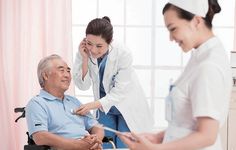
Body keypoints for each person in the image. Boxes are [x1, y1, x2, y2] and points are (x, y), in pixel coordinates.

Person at [118, 0, 232, 149]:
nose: (171, 38)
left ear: (197, 21)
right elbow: (187, 124)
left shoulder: (208, 65)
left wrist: (154, 149)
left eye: (173, 29)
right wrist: (157, 137)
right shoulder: (200, 56)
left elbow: (207, 136)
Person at [73, 16, 154, 148]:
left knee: (124, 145)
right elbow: (83, 86)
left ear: (109, 42)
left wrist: (91, 105)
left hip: (126, 105)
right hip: (104, 107)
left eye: (99, 46)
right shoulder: (84, 52)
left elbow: (120, 91)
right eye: (89, 43)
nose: (93, 50)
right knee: (105, 145)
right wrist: (84, 59)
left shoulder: (123, 53)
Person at [25, 54, 104, 150]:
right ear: (45, 75)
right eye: (61, 70)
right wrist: (79, 145)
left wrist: (96, 140)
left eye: (68, 71)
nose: (67, 75)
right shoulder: (37, 103)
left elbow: (97, 127)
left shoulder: (74, 101)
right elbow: (41, 137)